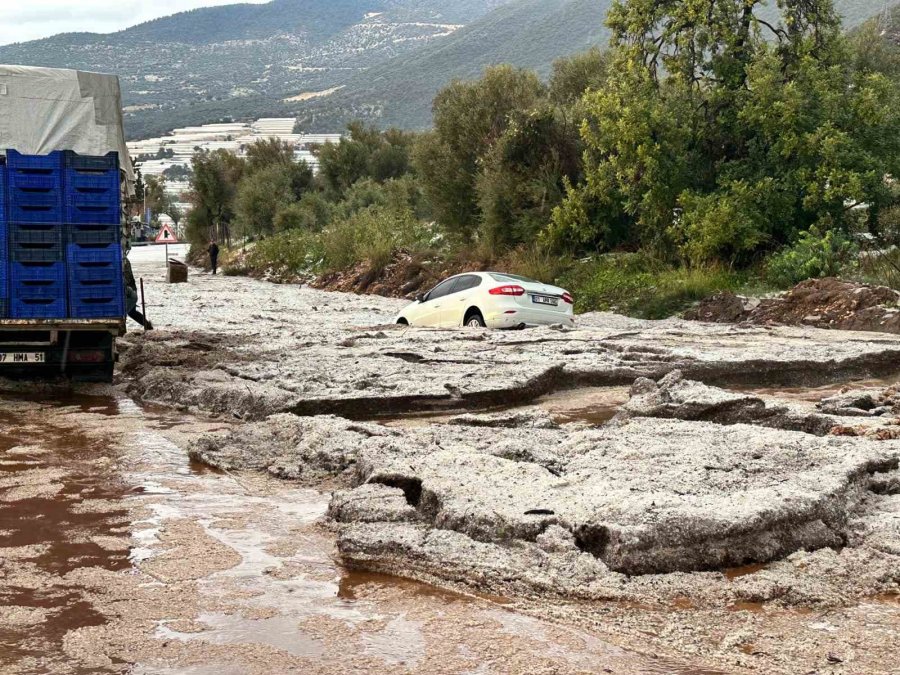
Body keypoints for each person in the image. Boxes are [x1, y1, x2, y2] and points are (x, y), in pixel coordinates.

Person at [124, 255, 153, 330]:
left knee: (127, 311)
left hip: (128, 289)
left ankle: (148, 326)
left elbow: (126, 277)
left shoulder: (123, 260)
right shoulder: (123, 259)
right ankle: (147, 326)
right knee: (131, 312)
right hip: (129, 288)